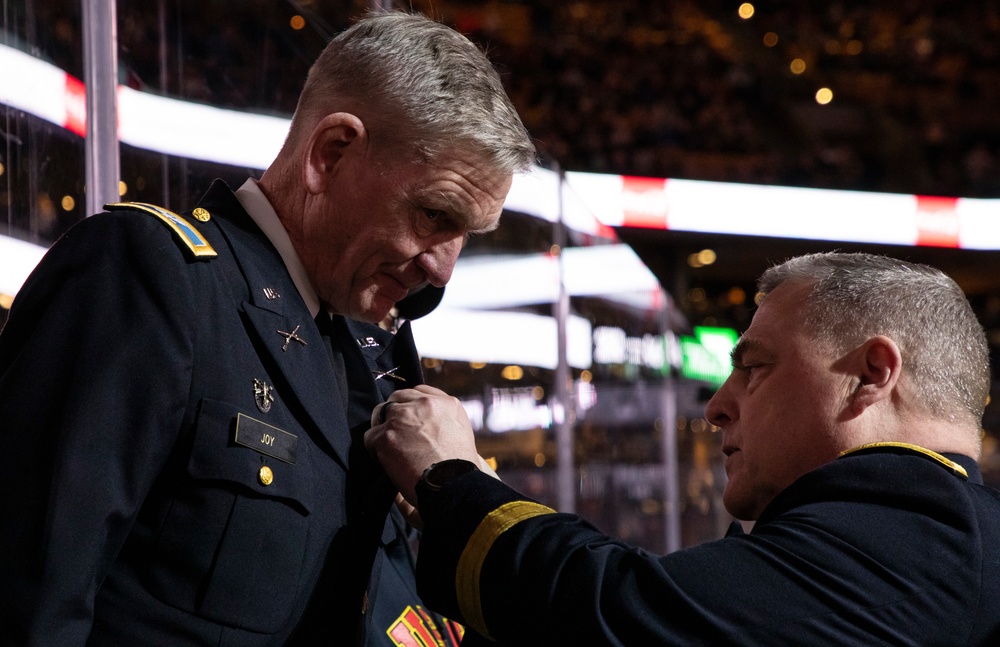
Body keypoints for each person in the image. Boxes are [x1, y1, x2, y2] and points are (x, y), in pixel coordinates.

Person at [0, 10, 534, 646]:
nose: (442, 269)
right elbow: (28, 599)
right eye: (432, 215)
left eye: (463, 237)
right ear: (330, 153)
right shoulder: (153, 274)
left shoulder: (371, 350)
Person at [365, 252, 1000, 645]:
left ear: (870, 374)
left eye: (754, 367)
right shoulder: (948, 534)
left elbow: (619, 613)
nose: (718, 404)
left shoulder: (920, 530)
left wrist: (450, 479)